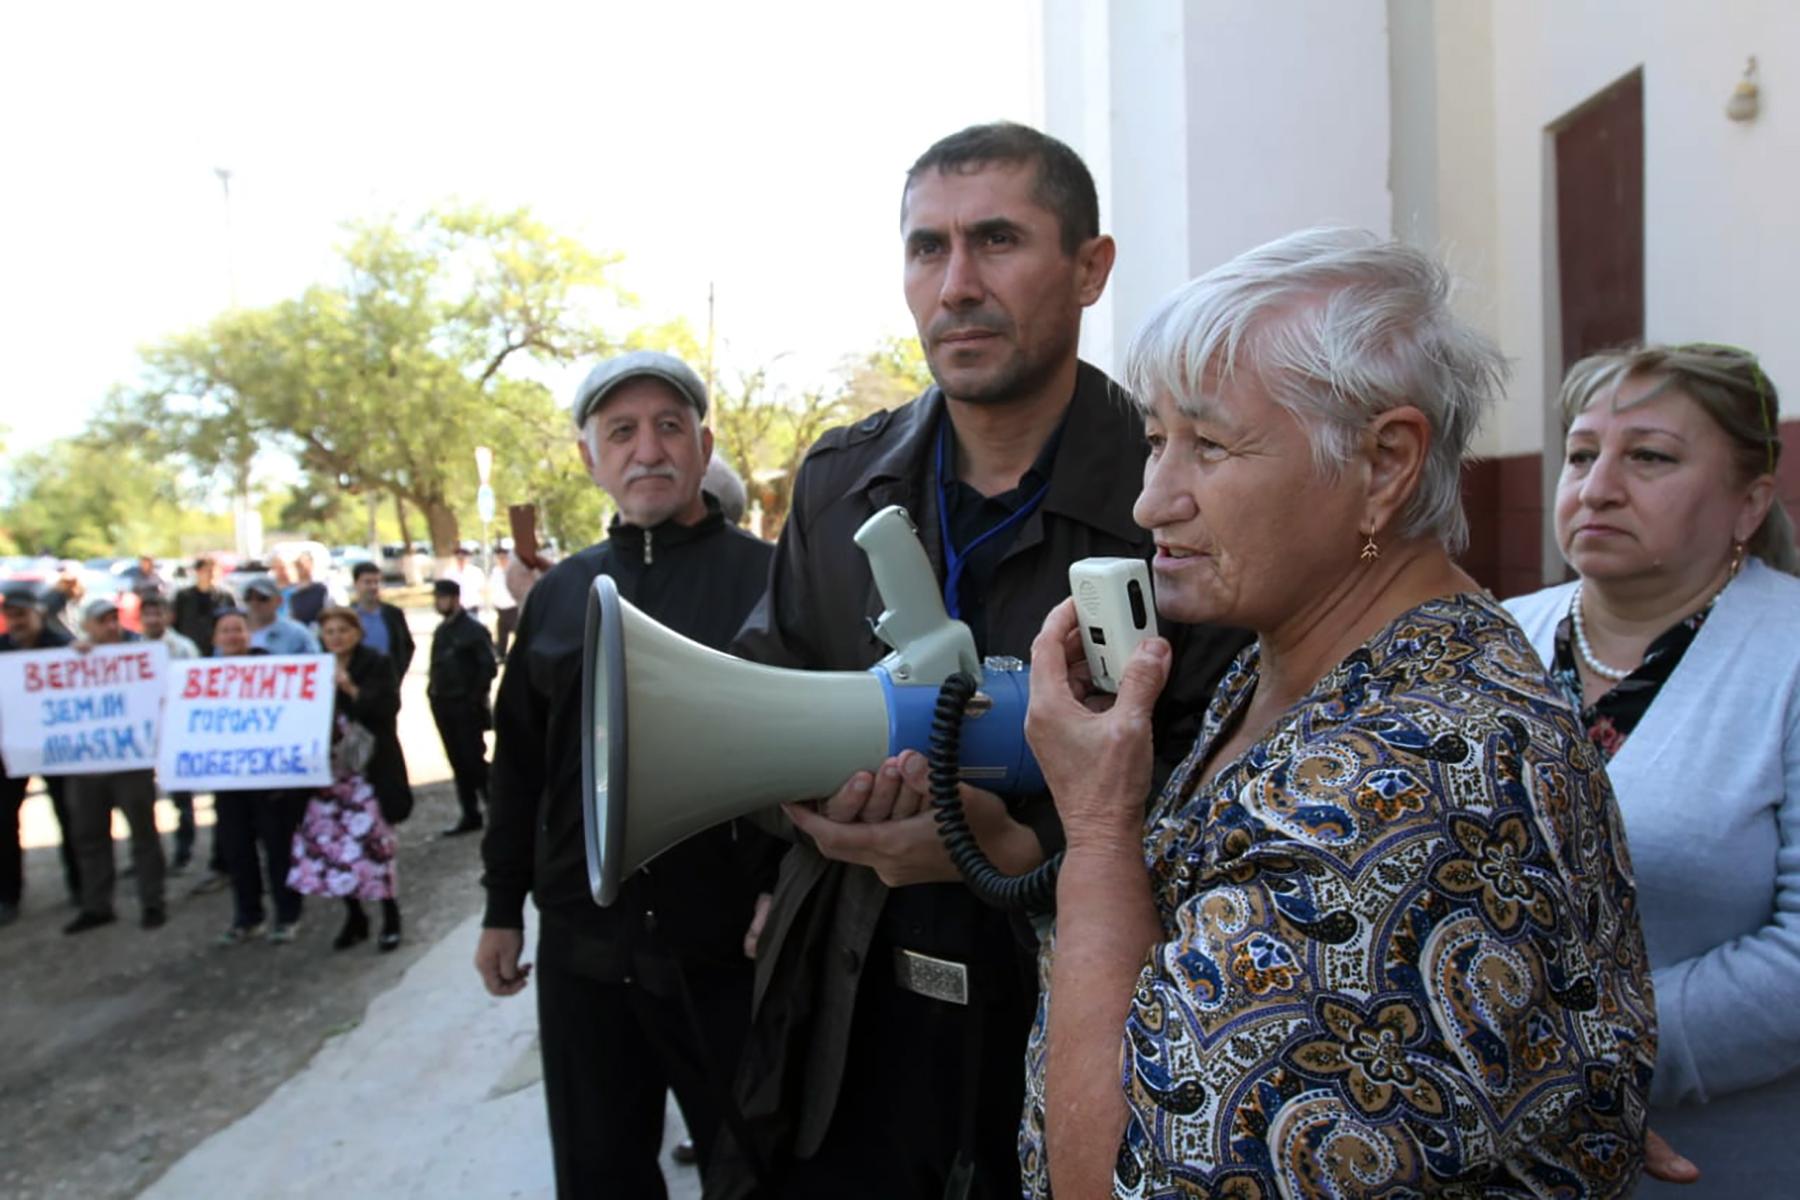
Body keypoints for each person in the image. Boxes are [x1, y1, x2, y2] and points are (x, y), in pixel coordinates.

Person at [1015, 228, 1656, 1197]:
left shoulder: (1407, 782)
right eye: (1155, 441)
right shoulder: (1308, 658)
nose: (1150, 502)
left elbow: (1113, 1186)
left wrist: (1100, 824)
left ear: (1386, 465)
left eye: (1209, 445)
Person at [716, 123, 1245, 1198]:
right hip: (854, 1012)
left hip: (1077, 1016)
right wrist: (824, 813)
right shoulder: (837, 485)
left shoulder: (1179, 495)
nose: (956, 285)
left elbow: (1226, 787)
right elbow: (749, 721)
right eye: (927, 249)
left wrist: (1018, 851)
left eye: (997, 241)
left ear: (1091, 268)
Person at [476, 348, 778, 1198]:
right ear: (590, 458)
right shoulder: (558, 595)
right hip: (584, 954)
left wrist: (782, 884)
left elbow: (817, 754)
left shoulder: (772, 582)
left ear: (702, 443)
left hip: (727, 951)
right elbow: (520, 772)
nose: (648, 450)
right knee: (599, 1173)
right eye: (622, 432)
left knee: (751, 1168)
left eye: (669, 427)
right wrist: (503, 909)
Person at [1504, 342, 1799, 1197]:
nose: (1597, 487)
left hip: (1723, 1160)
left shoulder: (1784, 658)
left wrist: (1572, 1066)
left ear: (1750, 503)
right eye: (1583, 454)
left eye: (1649, 457)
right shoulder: (1489, 641)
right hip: (1492, 1156)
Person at [288, 606, 410, 951]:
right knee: (333, 848)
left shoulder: (376, 663)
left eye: (343, 630)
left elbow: (386, 707)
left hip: (368, 772)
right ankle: (354, 916)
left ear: (357, 633)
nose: (337, 638)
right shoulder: (314, 669)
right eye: (330, 632)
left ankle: (390, 915)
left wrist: (351, 689)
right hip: (328, 778)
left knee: (375, 844)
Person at [63, 598, 168, 934]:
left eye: (114, 620)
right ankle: (97, 905)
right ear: (87, 627)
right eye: (102, 622)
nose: (111, 627)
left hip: (130, 764)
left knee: (143, 834)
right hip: (85, 766)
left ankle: (153, 902)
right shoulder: (70, 658)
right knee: (89, 836)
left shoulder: (138, 652)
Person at [208, 608, 310, 945]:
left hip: (270, 778)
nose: (232, 636)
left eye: (238, 629)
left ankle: (288, 914)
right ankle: (247, 917)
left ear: (249, 634)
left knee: (278, 849)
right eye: (225, 631)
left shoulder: (273, 668)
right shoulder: (203, 676)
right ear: (215, 639)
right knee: (238, 852)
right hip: (228, 780)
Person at [0, 583, 79, 925]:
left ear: (39, 614)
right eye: (10, 615)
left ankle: (80, 886)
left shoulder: (63, 649)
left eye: (21, 614)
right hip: (9, 750)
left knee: (69, 815)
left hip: (55, 747)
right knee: (4, 822)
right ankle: (8, 895)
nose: (16, 621)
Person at [427, 577, 497, 837]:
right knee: (457, 761)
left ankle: (494, 807)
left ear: (455, 599)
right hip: (444, 704)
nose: (439, 602)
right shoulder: (443, 630)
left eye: (442, 597)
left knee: (473, 760)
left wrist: (473, 698)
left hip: (465, 706)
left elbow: (487, 667)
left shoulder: (472, 629)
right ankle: (470, 812)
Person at [137, 592, 201, 871]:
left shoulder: (183, 647)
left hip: (175, 730)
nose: (153, 619)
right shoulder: (130, 649)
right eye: (147, 614)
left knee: (181, 796)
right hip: (142, 733)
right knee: (142, 798)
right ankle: (149, 855)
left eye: (158, 613)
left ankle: (184, 850)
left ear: (169, 616)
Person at [349, 561, 416, 680]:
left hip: (388, 682)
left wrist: (397, 673)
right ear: (356, 584)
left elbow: (407, 646)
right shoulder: (348, 616)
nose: (373, 587)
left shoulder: (394, 614)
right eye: (368, 582)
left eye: (377, 582)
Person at [173, 554, 234, 657]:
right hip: (190, 647)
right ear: (198, 572)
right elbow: (176, 621)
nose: (211, 574)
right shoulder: (184, 596)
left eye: (214, 570)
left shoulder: (225, 596)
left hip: (217, 649)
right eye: (208, 570)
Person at [241, 576, 320, 654]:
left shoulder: (297, 634)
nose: (254, 603)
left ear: (279, 601)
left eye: (263, 598)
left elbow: (315, 660)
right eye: (248, 598)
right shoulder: (232, 632)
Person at [284, 551, 333, 628]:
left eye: (305, 564)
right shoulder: (292, 591)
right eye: (299, 565)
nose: (302, 568)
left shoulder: (321, 588)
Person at [488, 548, 519, 660]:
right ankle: (502, 655)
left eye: (504, 557)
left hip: (513, 608)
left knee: (519, 634)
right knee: (502, 635)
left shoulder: (513, 571)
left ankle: (518, 656)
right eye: (499, 558)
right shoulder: (495, 571)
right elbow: (493, 589)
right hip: (501, 609)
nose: (502, 560)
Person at [449, 547, 486, 617]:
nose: (461, 560)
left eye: (463, 558)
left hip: (472, 608)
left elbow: (482, 590)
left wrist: (483, 606)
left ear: (468, 558)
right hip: (456, 609)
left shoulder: (476, 572)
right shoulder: (450, 573)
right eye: (458, 558)